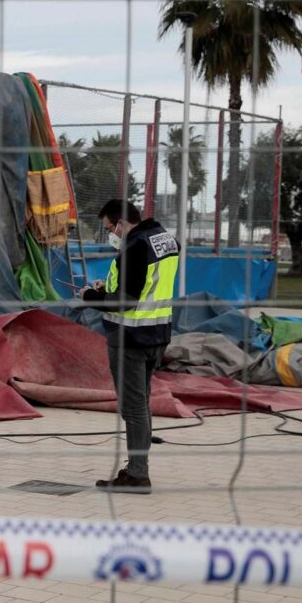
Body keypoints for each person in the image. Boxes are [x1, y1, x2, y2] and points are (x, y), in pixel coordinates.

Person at [80, 199, 179, 494]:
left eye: (110, 228)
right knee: (142, 404)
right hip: (158, 334)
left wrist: (90, 297)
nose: (110, 234)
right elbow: (149, 285)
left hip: (130, 339)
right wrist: (108, 289)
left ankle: (137, 474)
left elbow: (127, 301)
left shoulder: (134, 247)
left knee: (133, 408)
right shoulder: (166, 239)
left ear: (121, 223)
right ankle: (137, 467)